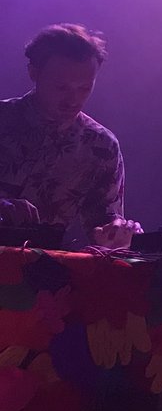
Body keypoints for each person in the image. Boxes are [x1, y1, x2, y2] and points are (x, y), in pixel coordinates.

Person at [0, 24, 140, 249]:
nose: (73, 100)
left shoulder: (101, 146)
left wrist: (115, 234)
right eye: (61, 87)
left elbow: (104, 224)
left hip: (38, 277)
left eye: (84, 88)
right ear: (33, 73)